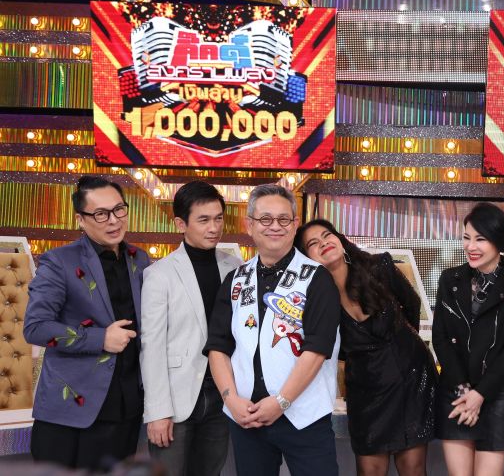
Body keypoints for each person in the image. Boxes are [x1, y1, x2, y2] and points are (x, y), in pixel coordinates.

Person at [203, 184, 341, 476]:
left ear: (295, 224)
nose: (275, 226)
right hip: (247, 417)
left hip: (304, 417)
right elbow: (218, 346)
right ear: (250, 225)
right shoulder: (235, 279)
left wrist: (281, 401)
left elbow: (317, 350)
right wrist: (230, 399)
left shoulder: (317, 278)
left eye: (283, 219)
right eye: (265, 219)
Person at [23, 175, 150, 470]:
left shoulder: (140, 259)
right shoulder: (59, 261)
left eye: (119, 209)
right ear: (80, 219)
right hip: (71, 412)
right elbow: (36, 327)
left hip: (128, 407)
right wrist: (100, 338)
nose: (114, 220)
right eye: (101, 214)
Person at [296, 219, 437, 476]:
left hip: (411, 378)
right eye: (313, 243)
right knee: (370, 470)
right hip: (366, 389)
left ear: (339, 238)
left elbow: (412, 303)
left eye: (327, 235)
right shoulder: (314, 296)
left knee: (412, 468)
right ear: (306, 258)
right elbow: (329, 345)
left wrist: (400, 341)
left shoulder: (379, 266)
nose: (324, 243)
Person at [139, 181, 240, 475]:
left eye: (218, 218)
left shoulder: (235, 267)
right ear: (180, 224)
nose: (214, 228)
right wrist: (158, 411)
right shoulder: (159, 274)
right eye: (204, 220)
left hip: (223, 395)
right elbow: (152, 346)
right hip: (176, 398)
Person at [432, 202, 504, 476]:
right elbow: (440, 338)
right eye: (467, 238)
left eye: (480, 239)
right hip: (457, 391)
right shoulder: (450, 279)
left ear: (499, 242)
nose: (471, 246)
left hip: (497, 394)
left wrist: (480, 394)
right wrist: (465, 391)